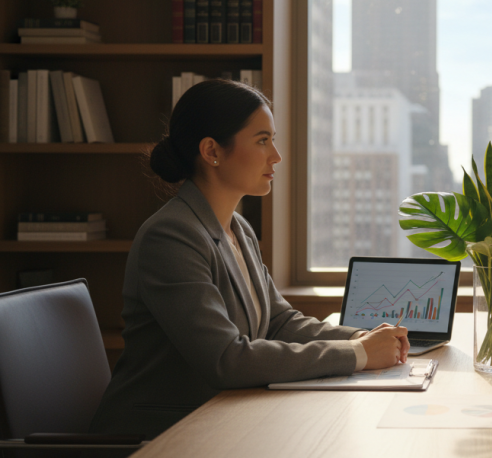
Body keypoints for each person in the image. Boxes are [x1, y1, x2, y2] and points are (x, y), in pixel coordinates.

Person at [90, 80, 409, 440]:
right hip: (160, 436)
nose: (276, 155)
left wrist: (362, 337)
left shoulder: (237, 227)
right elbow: (226, 359)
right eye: (262, 140)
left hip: (226, 420)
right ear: (212, 151)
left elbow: (278, 321)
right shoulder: (171, 237)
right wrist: (356, 354)